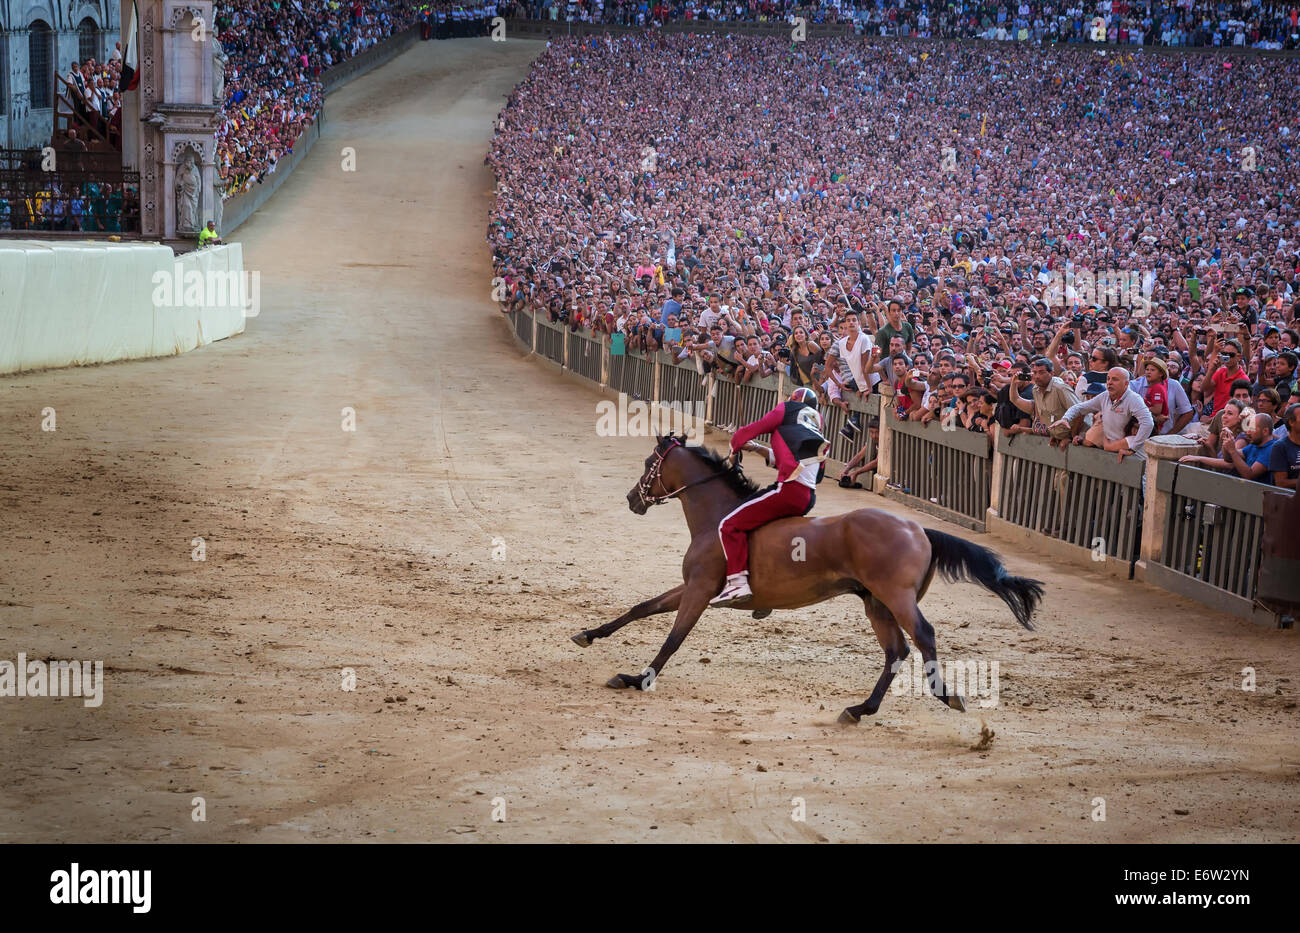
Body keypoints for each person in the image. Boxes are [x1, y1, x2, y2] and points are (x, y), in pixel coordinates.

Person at [712, 387, 829, 607]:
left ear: (792, 401)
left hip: (788, 491)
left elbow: (750, 430)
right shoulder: (816, 432)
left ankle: (737, 582)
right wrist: (757, 448)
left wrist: (733, 450)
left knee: (729, 525)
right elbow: (816, 474)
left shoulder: (787, 409)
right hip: (806, 496)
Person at [1052, 367, 1154, 462]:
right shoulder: (1105, 396)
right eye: (1108, 379)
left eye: (1115, 379)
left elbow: (1148, 423)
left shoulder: (1133, 398)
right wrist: (1065, 418)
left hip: (1134, 457)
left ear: (1126, 384)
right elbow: (1080, 408)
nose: (1109, 382)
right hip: (1114, 454)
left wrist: (1133, 449)